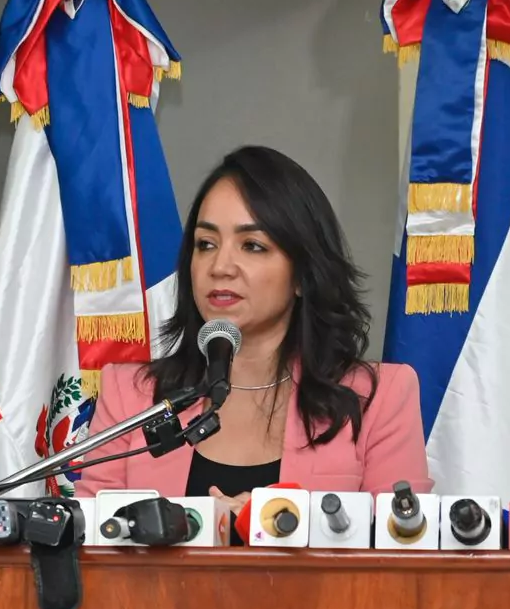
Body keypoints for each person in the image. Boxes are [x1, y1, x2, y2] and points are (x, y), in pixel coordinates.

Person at [77, 145, 431, 517]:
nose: (220, 266)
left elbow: (401, 543)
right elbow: (91, 540)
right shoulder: (131, 397)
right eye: (206, 244)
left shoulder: (378, 399)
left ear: (302, 274)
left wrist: (278, 531)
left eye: (252, 246)